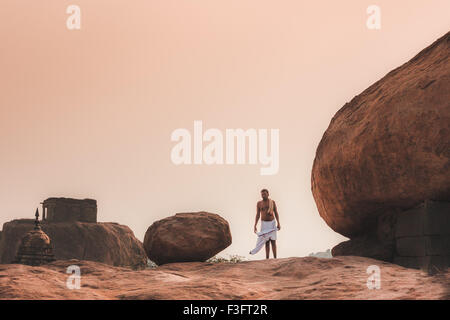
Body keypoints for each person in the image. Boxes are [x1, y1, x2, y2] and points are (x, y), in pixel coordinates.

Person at [249, 188, 281, 258]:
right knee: (266, 241)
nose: (263, 195)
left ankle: (275, 258)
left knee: (273, 241)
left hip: (272, 223)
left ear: (268, 194)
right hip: (264, 224)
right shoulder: (259, 203)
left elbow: (276, 212)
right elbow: (257, 214)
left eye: (264, 194)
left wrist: (278, 223)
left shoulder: (272, 202)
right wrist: (255, 225)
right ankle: (267, 258)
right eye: (262, 194)